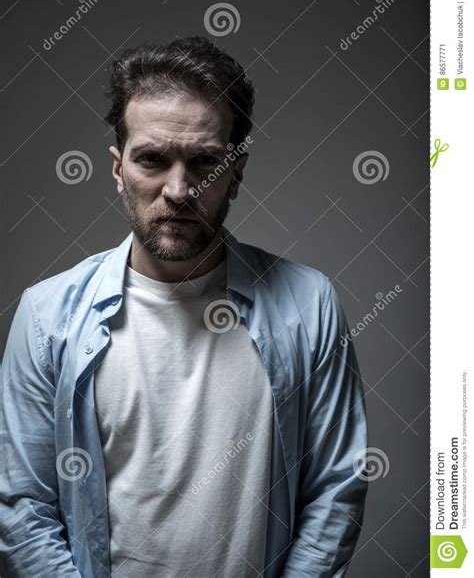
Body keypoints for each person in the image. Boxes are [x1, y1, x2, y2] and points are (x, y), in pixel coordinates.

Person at [0, 36, 369, 577]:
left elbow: (336, 487)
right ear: (117, 168)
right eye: (152, 159)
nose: (179, 189)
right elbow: (22, 504)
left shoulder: (307, 304)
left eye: (205, 162)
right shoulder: (45, 316)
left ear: (236, 173)